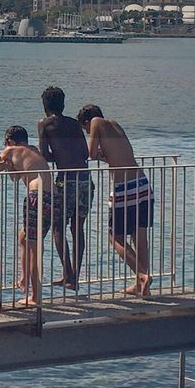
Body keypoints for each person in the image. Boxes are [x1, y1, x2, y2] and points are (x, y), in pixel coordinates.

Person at [76, 104, 154, 296]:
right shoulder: (114, 124)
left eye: (85, 130)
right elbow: (118, 155)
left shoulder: (95, 122)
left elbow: (91, 153)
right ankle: (141, 285)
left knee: (114, 237)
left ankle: (143, 274)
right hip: (142, 183)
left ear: (87, 122)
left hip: (124, 188)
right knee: (139, 237)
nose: (88, 132)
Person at [37, 84, 92, 289]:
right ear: (63, 103)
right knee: (78, 228)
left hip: (66, 180)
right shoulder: (75, 124)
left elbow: (44, 154)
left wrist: (58, 157)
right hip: (85, 179)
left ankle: (68, 274)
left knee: (58, 228)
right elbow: (85, 154)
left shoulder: (45, 124)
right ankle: (74, 276)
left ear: (45, 105)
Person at [0, 125, 53, 307]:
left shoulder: (10, 150)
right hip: (51, 197)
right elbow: (16, 176)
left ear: (10, 141)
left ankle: (35, 296)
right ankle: (24, 278)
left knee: (34, 247)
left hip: (36, 196)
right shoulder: (33, 151)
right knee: (24, 237)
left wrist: (4, 161)